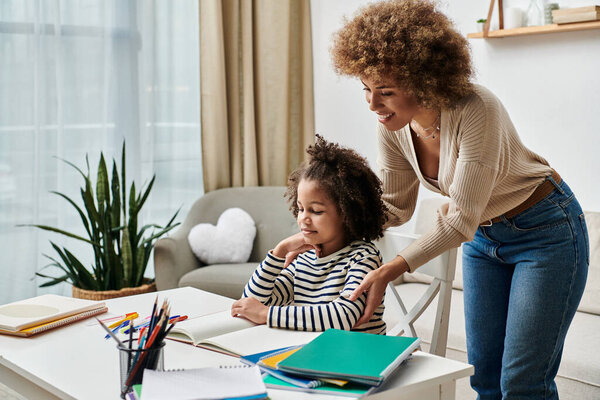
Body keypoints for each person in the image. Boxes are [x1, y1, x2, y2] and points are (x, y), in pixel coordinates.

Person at [330, 1, 589, 399]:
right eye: (366, 88)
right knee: (483, 377)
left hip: (546, 232)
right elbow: (394, 207)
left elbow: (459, 220)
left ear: (424, 80)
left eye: (386, 92)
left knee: (522, 383)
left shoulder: (476, 109)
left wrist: (391, 268)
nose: (372, 104)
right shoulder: (394, 125)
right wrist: (326, 231)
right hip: (484, 241)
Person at [231, 135, 388, 334]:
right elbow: (254, 302)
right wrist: (279, 252)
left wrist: (267, 314)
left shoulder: (364, 257)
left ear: (347, 213)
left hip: (360, 358)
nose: (304, 218)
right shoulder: (303, 259)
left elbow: (344, 316)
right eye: (301, 209)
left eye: (316, 211)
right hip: (317, 355)